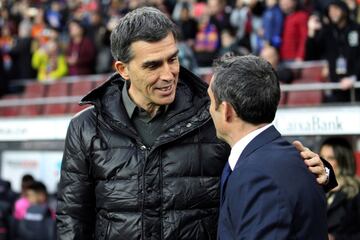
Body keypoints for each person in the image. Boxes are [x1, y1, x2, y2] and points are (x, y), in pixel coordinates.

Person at [57, 7, 335, 240]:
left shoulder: (213, 112)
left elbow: (263, 158)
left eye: (173, 59)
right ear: (123, 69)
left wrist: (322, 170)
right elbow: (71, 220)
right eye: (153, 65)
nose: (169, 74)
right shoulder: (86, 127)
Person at [209, 54, 328, 239]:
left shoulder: (255, 175)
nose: (208, 109)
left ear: (226, 111)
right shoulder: (295, 158)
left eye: (210, 101)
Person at [305, 0, 360, 102]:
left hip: (357, 86)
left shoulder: (356, 29)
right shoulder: (327, 32)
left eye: (336, 9)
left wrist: (354, 78)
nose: (332, 13)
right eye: (330, 10)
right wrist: (311, 33)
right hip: (336, 87)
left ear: (343, 10)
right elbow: (311, 56)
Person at [320, 137, 360, 240]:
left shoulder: (355, 191)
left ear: (343, 160)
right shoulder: (317, 188)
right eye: (322, 157)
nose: (324, 162)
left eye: (331, 158)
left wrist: (336, 238)